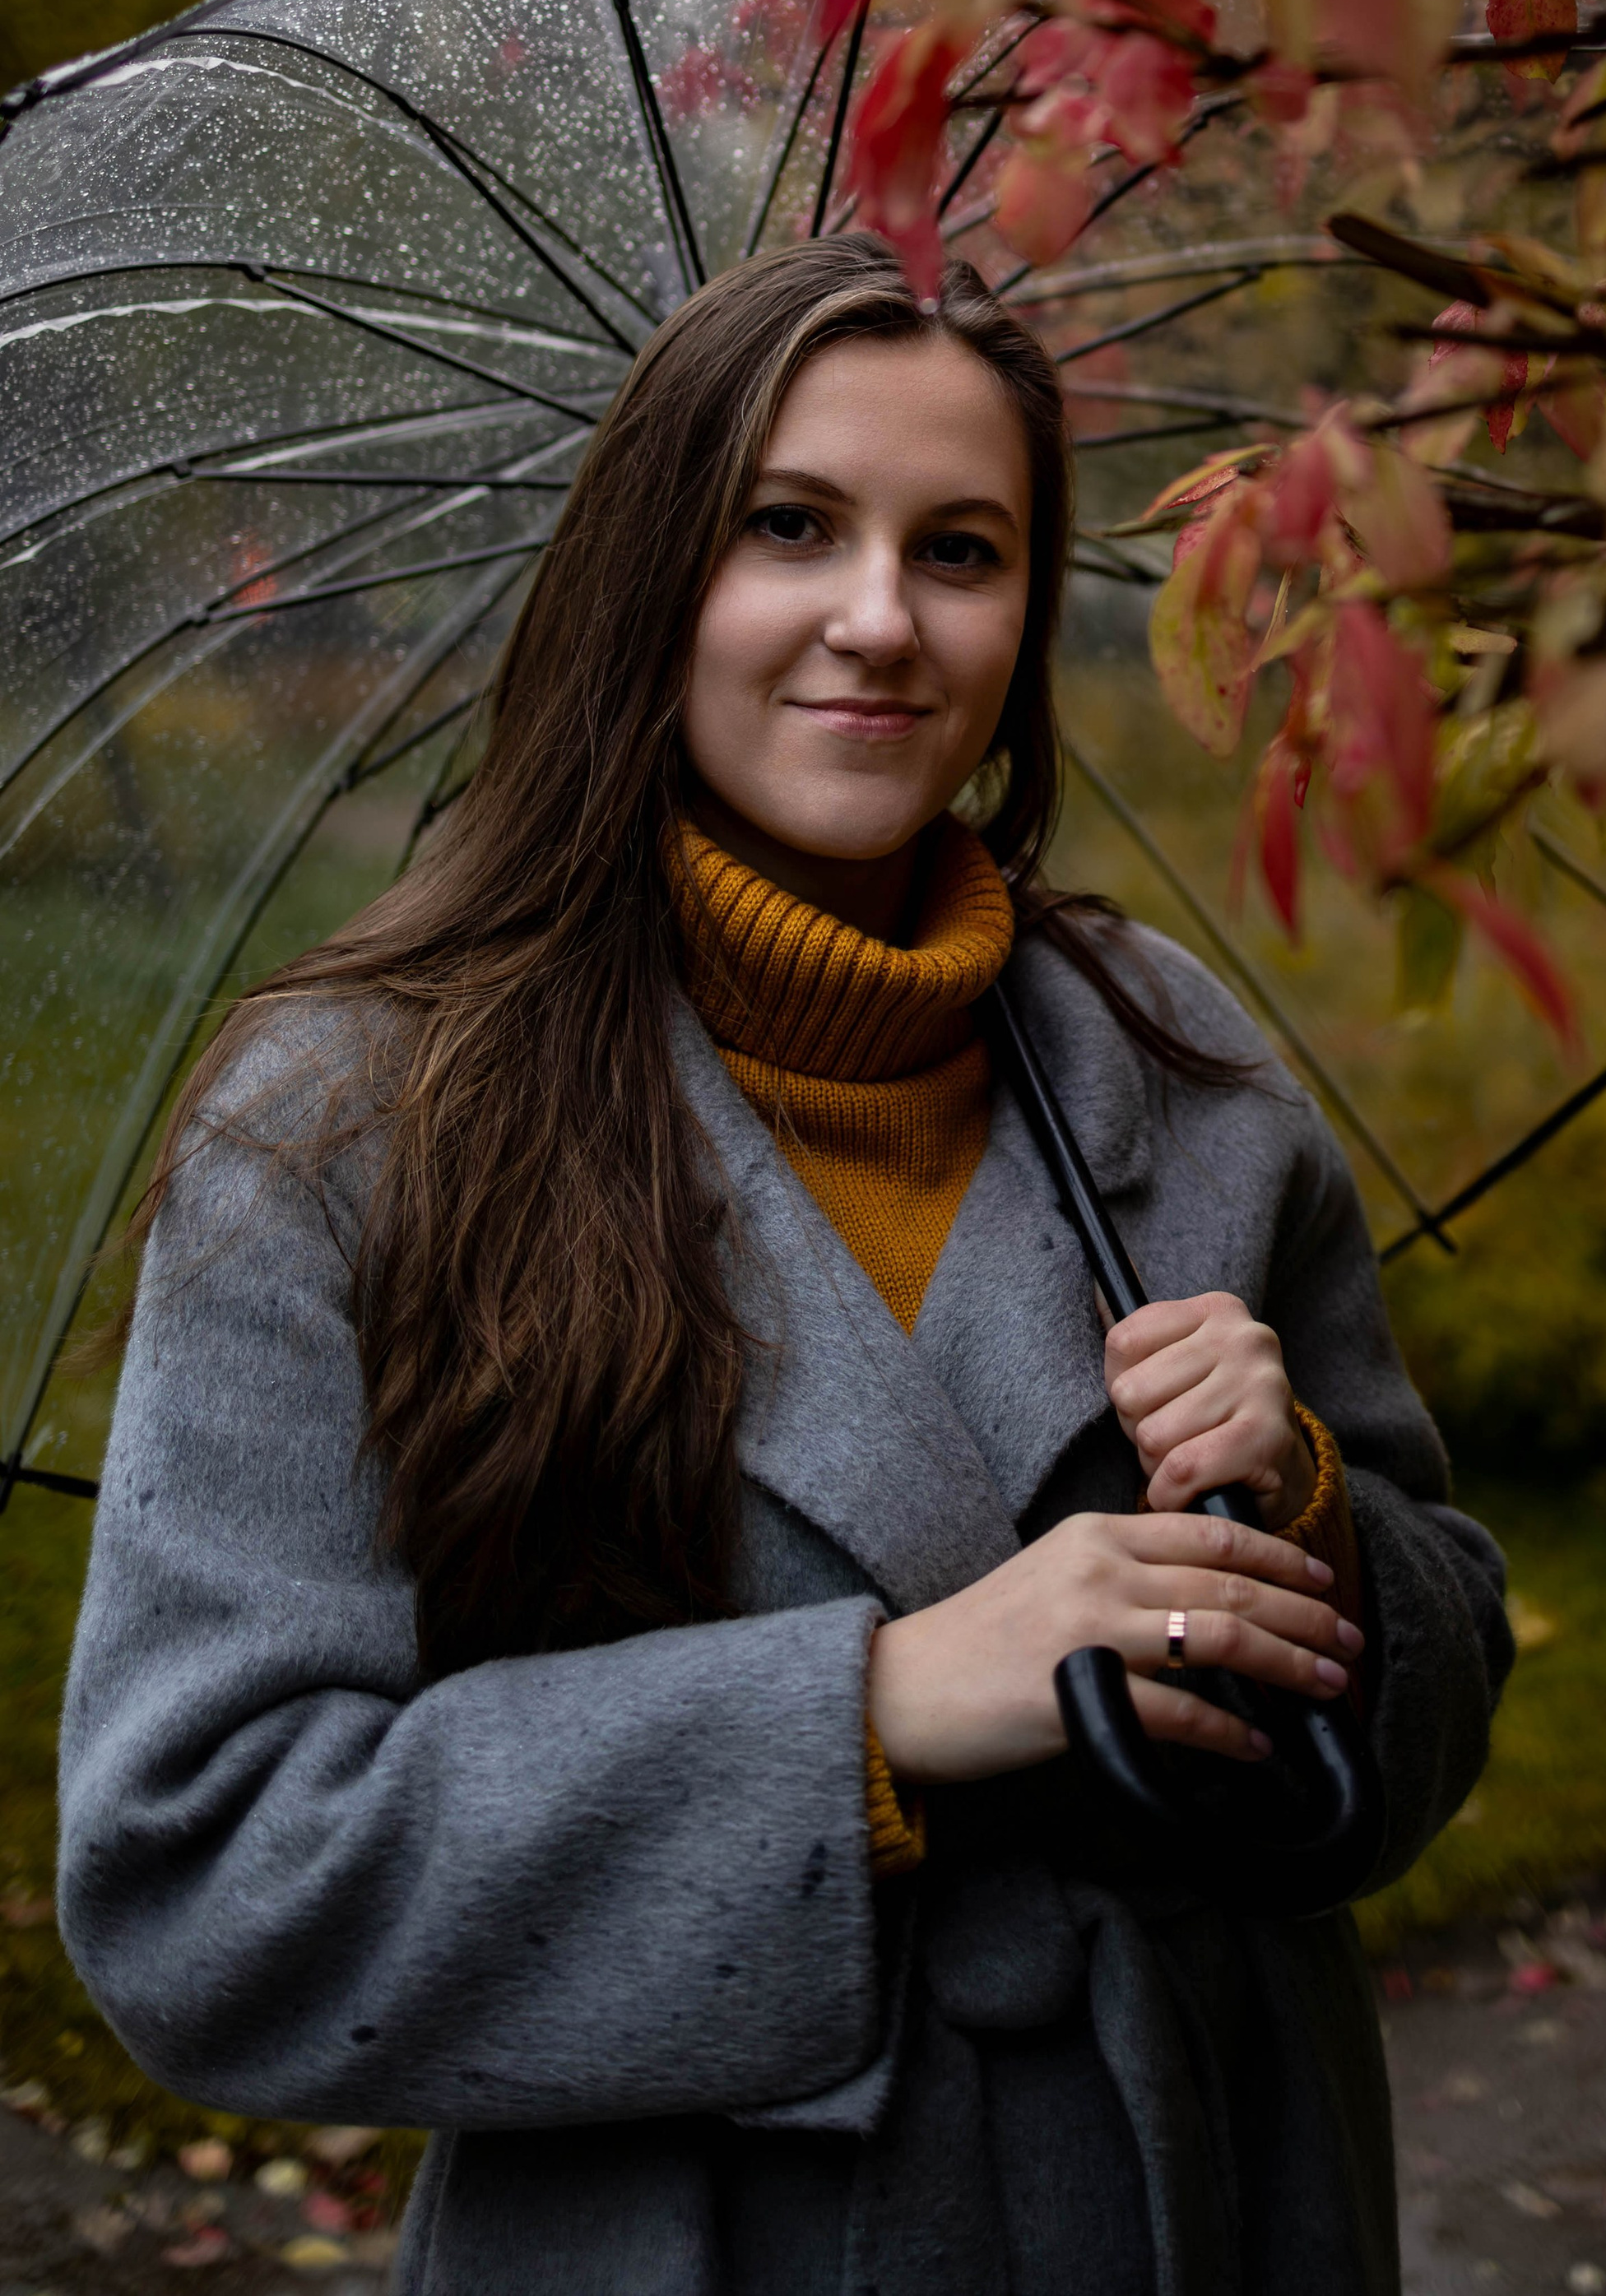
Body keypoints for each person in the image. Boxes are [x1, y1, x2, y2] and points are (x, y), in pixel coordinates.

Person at [58, 234, 1513, 2296]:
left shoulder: (1175, 1067)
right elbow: (207, 1886)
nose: (876, 621)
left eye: (963, 550)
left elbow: (1440, 1699)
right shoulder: (353, 1124)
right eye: (791, 527)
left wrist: (1310, 1530)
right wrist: (880, 1708)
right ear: (654, 577)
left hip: (1207, 2199)